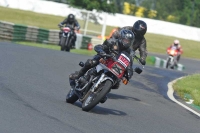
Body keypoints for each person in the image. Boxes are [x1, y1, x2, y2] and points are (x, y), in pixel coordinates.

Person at [69, 29, 135, 91]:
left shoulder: (130, 52)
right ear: (121, 38)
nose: (126, 42)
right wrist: (102, 52)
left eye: (128, 41)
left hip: (116, 68)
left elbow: (129, 65)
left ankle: (102, 91)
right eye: (125, 40)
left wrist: (129, 74)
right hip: (104, 59)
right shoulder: (112, 41)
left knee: (117, 84)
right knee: (91, 62)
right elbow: (99, 47)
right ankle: (78, 75)